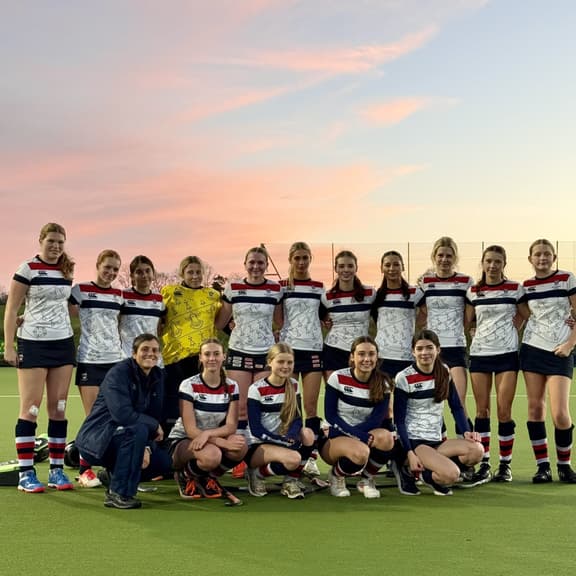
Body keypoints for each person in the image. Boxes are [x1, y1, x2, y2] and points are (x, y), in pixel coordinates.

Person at [4, 223, 76, 492]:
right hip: (33, 345)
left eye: (60, 242)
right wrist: (9, 346)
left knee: (58, 408)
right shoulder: (27, 269)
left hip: (63, 344)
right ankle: (26, 474)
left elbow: (61, 306)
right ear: (41, 241)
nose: (56, 246)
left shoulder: (67, 270)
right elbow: (11, 310)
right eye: (51, 241)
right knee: (31, 408)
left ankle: (57, 471)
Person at [75, 334, 166, 509]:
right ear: (134, 353)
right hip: (96, 440)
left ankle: (112, 476)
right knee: (138, 430)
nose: (150, 354)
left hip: (125, 437)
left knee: (162, 463)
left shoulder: (157, 376)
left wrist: (147, 446)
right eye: (145, 349)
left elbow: (155, 413)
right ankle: (118, 493)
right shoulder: (118, 373)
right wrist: (153, 426)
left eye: (155, 350)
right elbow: (122, 415)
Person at [393, 330, 483, 496]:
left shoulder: (444, 371)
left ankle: (428, 469)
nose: (424, 353)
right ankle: (407, 468)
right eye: (420, 349)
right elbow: (399, 421)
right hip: (415, 442)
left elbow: (456, 407)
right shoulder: (404, 378)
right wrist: (409, 452)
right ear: (413, 352)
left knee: (477, 450)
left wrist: (466, 431)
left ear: (438, 350)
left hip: (437, 440)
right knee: (451, 475)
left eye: (429, 347)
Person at [220, 246, 283, 476]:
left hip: (266, 353)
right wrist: (235, 331)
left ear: (266, 265)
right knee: (241, 407)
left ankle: (257, 455)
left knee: (262, 406)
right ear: (245, 264)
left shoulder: (275, 289)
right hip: (239, 351)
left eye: (260, 262)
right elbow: (220, 322)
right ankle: (239, 456)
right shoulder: (233, 287)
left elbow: (280, 321)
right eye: (252, 262)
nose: (256, 266)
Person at [518, 239, 576, 483]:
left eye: (547, 254)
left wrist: (569, 344)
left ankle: (564, 466)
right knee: (534, 408)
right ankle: (543, 467)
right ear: (530, 258)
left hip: (560, 352)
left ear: (554, 257)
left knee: (560, 413)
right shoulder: (525, 286)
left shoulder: (567, 278)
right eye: (537, 254)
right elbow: (524, 316)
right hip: (532, 350)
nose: (542, 258)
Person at [465, 245, 524, 483]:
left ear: (504, 264)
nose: (492, 265)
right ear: (483, 263)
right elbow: (467, 320)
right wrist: (473, 332)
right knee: (482, 411)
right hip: (480, 354)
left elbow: (526, 313)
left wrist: (512, 330)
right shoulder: (473, 291)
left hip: (507, 355)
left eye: (497, 261)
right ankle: (485, 463)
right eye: (488, 261)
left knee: (504, 410)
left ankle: (505, 465)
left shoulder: (515, 288)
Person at [69, 249, 124, 487]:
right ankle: (85, 470)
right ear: (98, 265)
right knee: (93, 417)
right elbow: (60, 313)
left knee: (114, 417)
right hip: (90, 361)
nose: (111, 272)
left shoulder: (119, 295)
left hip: (115, 361)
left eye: (115, 269)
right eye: (107, 267)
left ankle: (112, 466)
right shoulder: (80, 290)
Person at [168, 339, 247, 499]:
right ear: (200, 357)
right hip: (184, 440)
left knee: (241, 446)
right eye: (207, 354)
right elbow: (191, 430)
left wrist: (208, 434)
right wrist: (222, 442)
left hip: (209, 438)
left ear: (224, 356)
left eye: (216, 354)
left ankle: (208, 477)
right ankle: (185, 475)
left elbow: (231, 426)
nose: (212, 358)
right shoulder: (188, 384)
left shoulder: (232, 385)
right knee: (212, 455)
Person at [321, 336, 395, 498]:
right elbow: (331, 416)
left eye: (371, 354)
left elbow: (376, 420)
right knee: (361, 452)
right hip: (335, 437)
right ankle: (336, 475)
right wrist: (357, 435)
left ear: (377, 357)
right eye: (361, 354)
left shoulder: (383, 383)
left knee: (387, 438)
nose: (366, 359)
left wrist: (358, 436)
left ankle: (366, 479)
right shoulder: (337, 377)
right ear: (352, 357)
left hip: (360, 434)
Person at [275, 242, 325, 476]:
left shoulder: (319, 287)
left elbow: (325, 315)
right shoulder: (282, 287)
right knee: (290, 407)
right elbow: (277, 319)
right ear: (290, 259)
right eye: (297, 258)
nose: (301, 262)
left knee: (311, 407)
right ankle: (291, 453)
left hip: (313, 349)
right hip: (290, 352)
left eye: (305, 258)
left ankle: (310, 457)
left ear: (310, 259)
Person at [161, 256, 223, 434]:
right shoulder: (170, 292)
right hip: (175, 357)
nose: (195, 276)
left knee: (201, 401)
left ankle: (202, 438)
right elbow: (159, 319)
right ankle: (171, 441)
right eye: (190, 272)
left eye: (198, 272)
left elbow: (222, 322)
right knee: (174, 402)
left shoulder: (213, 295)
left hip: (203, 359)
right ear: (182, 273)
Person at [245, 343, 315, 499]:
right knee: (294, 459)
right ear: (270, 362)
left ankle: (290, 481)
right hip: (258, 444)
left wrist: (292, 435)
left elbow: (297, 418)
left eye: (289, 362)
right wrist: (282, 441)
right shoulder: (256, 389)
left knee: (308, 434)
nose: (285, 366)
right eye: (280, 362)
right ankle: (256, 473)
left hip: (282, 440)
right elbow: (256, 429)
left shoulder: (294, 385)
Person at [417, 237, 473, 432]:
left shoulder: (466, 282)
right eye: (440, 255)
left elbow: (469, 316)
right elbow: (421, 313)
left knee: (459, 402)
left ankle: (467, 446)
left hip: (456, 347)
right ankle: (438, 445)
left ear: (455, 258)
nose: (444, 259)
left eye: (449, 256)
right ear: (434, 256)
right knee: (433, 404)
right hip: (432, 351)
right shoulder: (425, 282)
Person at [322, 250, 375, 380]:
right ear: (335, 268)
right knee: (334, 390)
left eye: (350, 266)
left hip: (361, 351)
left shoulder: (370, 293)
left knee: (362, 390)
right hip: (334, 350)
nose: (346, 270)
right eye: (341, 266)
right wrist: (325, 322)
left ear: (356, 268)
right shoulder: (327, 297)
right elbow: (319, 319)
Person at [372, 250, 423, 377]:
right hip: (382, 357)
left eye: (396, 264)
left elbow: (427, 314)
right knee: (382, 391)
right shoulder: (376, 296)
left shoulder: (415, 293)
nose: (392, 269)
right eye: (387, 265)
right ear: (381, 268)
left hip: (407, 356)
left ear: (403, 267)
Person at [119, 255, 165, 360]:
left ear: (153, 273)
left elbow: (160, 328)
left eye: (147, 271)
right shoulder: (122, 296)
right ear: (132, 276)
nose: (144, 275)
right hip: (128, 357)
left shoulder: (159, 299)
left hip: (152, 358)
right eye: (139, 272)